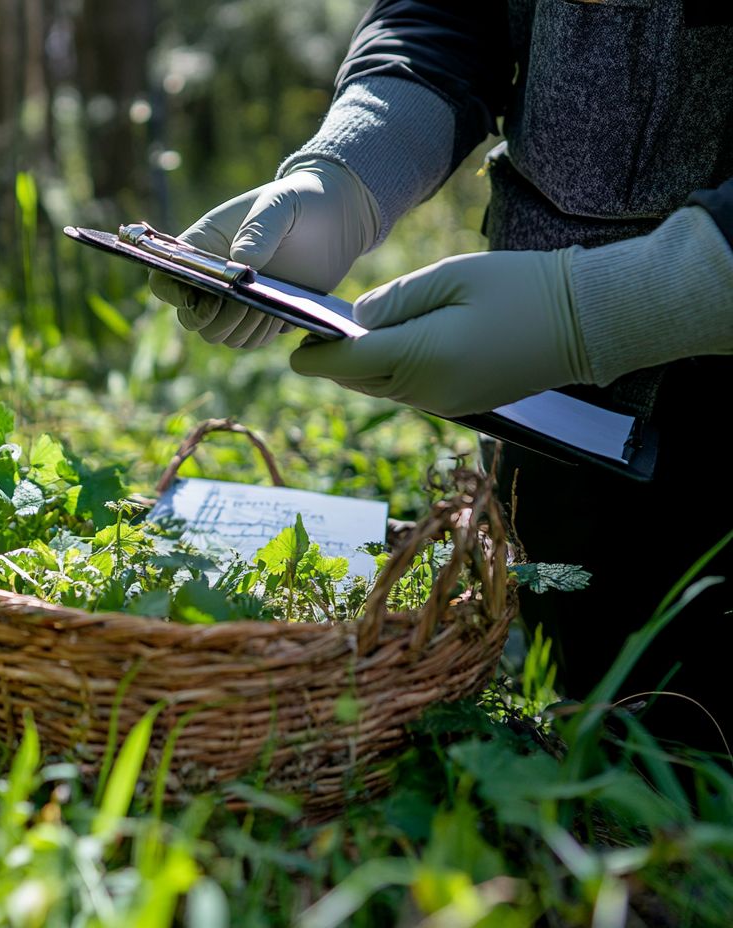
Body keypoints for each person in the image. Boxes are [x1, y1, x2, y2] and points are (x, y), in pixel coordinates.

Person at [151, 1, 733, 755]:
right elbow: (449, 16)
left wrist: (601, 308)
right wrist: (348, 173)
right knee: (593, 706)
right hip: (561, 441)